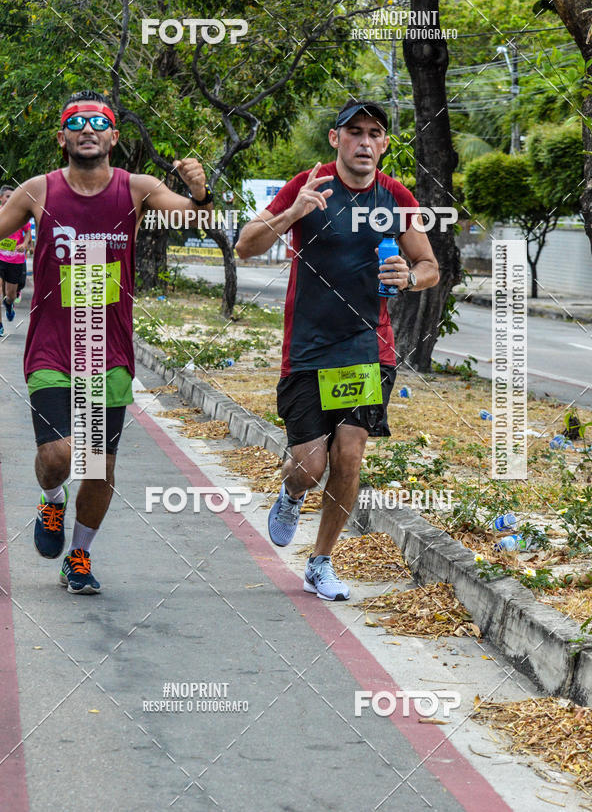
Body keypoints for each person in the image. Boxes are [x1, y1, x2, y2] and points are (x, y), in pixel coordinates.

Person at [0, 89, 212, 593]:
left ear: (114, 136)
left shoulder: (136, 187)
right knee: (57, 456)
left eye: (99, 121)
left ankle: (79, 556)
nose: (87, 128)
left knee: (97, 464)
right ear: (62, 137)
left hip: (105, 350)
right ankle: (52, 502)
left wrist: (201, 193)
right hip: (51, 346)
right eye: (76, 121)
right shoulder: (39, 190)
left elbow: (194, 218)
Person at [236, 99, 439, 601]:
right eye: (355, 132)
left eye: (375, 133)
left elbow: (431, 265)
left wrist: (410, 278)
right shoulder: (310, 183)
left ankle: (321, 562)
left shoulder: (397, 196)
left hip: (367, 346)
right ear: (336, 139)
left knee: (349, 455)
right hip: (306, 348)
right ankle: (290, 493)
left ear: (385, 144)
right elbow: (245, 244)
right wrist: (293, 211)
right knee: (309, 466)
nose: (365, 142)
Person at [0, 185, 31, 333]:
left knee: (10, 295)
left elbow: (28, 232)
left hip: (15, 260)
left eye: (12, 197)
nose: (9, 199)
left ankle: (8, 304)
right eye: (7, 196)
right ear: (1, 198)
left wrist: (25, 244)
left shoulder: (19, 215)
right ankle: (0, 325)